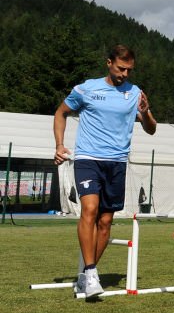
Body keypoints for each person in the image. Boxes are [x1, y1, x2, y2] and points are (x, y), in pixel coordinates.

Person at [53, 45, 157, 299]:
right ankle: (90, 273)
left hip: (118, 163)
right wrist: (59, 144)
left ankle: (86, 276)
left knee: (106, 221)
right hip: (88, 158)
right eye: (121, 68)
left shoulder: (135, 93)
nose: (125, 74)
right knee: (89, 209)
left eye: (129, 70)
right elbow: (61, 112)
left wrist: (145, 111)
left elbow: (151, 129)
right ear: (108, 63)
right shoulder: (86, 88)